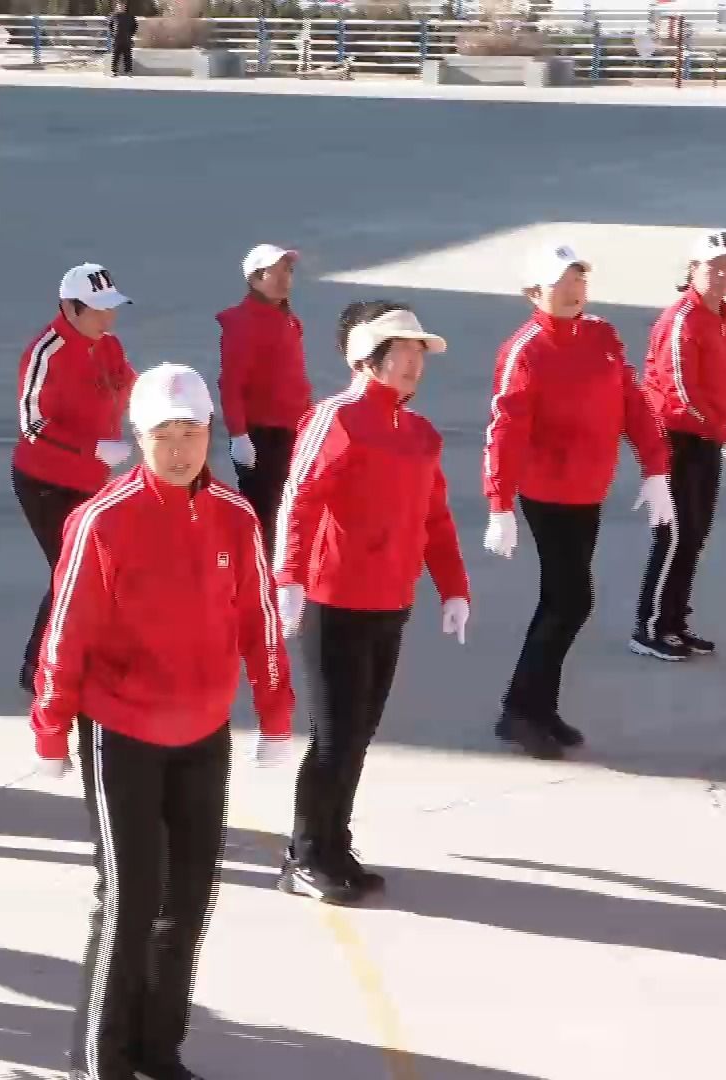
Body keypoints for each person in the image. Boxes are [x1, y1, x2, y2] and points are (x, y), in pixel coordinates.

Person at [32, 362, 293, 1080]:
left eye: (192, 433)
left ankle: (158, 1050)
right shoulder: (102, 522)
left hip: (204, 734)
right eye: (164, 436)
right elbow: (67, 632)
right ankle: (104, 1061)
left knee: (188, 901)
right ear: (138, 437)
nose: (180, 450)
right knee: (129, 898)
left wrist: (275, 710)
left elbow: (259, 619)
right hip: (124, 735)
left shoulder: (234, 519)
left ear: (209, 432)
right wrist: (51, 726)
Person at [273, 302, 469, 905]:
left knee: (359, 732)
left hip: (390, 601)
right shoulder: (336, 420)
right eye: (401, 353)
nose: (413, 364)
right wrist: (290, 577)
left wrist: (454, 586)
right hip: (333, 601)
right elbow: (299, 499)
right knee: (334, 735)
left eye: (418, 355)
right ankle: (305, 853)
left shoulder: (419, 434)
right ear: (368, 358)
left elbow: (434, 516)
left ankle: (335, 841)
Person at [482, 242, 673, 758]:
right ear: (534, 292)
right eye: (562, 280)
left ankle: (532, 708)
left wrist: (656, 467)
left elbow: (631, 400)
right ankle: (523, 712)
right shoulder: (524, 350)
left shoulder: (601, 335)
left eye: (578, 278)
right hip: (548, 492)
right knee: (570, 599)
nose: (573, 288)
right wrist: (499, 503)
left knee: (564, 601)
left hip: (590, 488)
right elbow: (506, 430)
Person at [13, 262, 136, 692]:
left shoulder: (110, 345)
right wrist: (92, 448)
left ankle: (82, 656)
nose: (109, 318)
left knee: (96, 572)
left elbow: (128, 384)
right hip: (46, 482)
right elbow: (33, 423)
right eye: (99, 310)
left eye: (111, 308)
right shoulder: (45, 352)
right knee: (70, 570)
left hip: (91, 481)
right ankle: (38, 668)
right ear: (69, 307)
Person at [630, 229, 726, 661]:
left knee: (695, 532)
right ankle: (647, 626)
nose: (722, 274)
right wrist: (723, 431)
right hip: (674, 436)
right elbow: (681, 389)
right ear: (693, 270)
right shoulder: (682, 318)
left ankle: (674, 621)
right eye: (713, 266)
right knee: (675, 532)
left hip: (707, 435)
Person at [217, 243, 312, 554]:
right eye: (277, 271)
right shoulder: (243, 323)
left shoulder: (287, 318)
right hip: (263, 437)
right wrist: (239, 436)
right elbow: (231, 384)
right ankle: (257, 585)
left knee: (289, 512)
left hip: (292, 433)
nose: (285, 278)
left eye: (288, 270)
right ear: (256, 279)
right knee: (263, 518)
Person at [109, 1, 137, 76]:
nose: (121, 7)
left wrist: (130, 35)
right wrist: (113, 34)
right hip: (117, 39)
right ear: (117, 7)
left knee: (127, 55)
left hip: (127, 39)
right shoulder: (114, 16)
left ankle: (128, 71)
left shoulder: (130, 16)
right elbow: (110, 26)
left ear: (125, 7)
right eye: (119, 6)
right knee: (116, 55)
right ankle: (114, 71)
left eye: (122, 6)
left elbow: (135, 26)